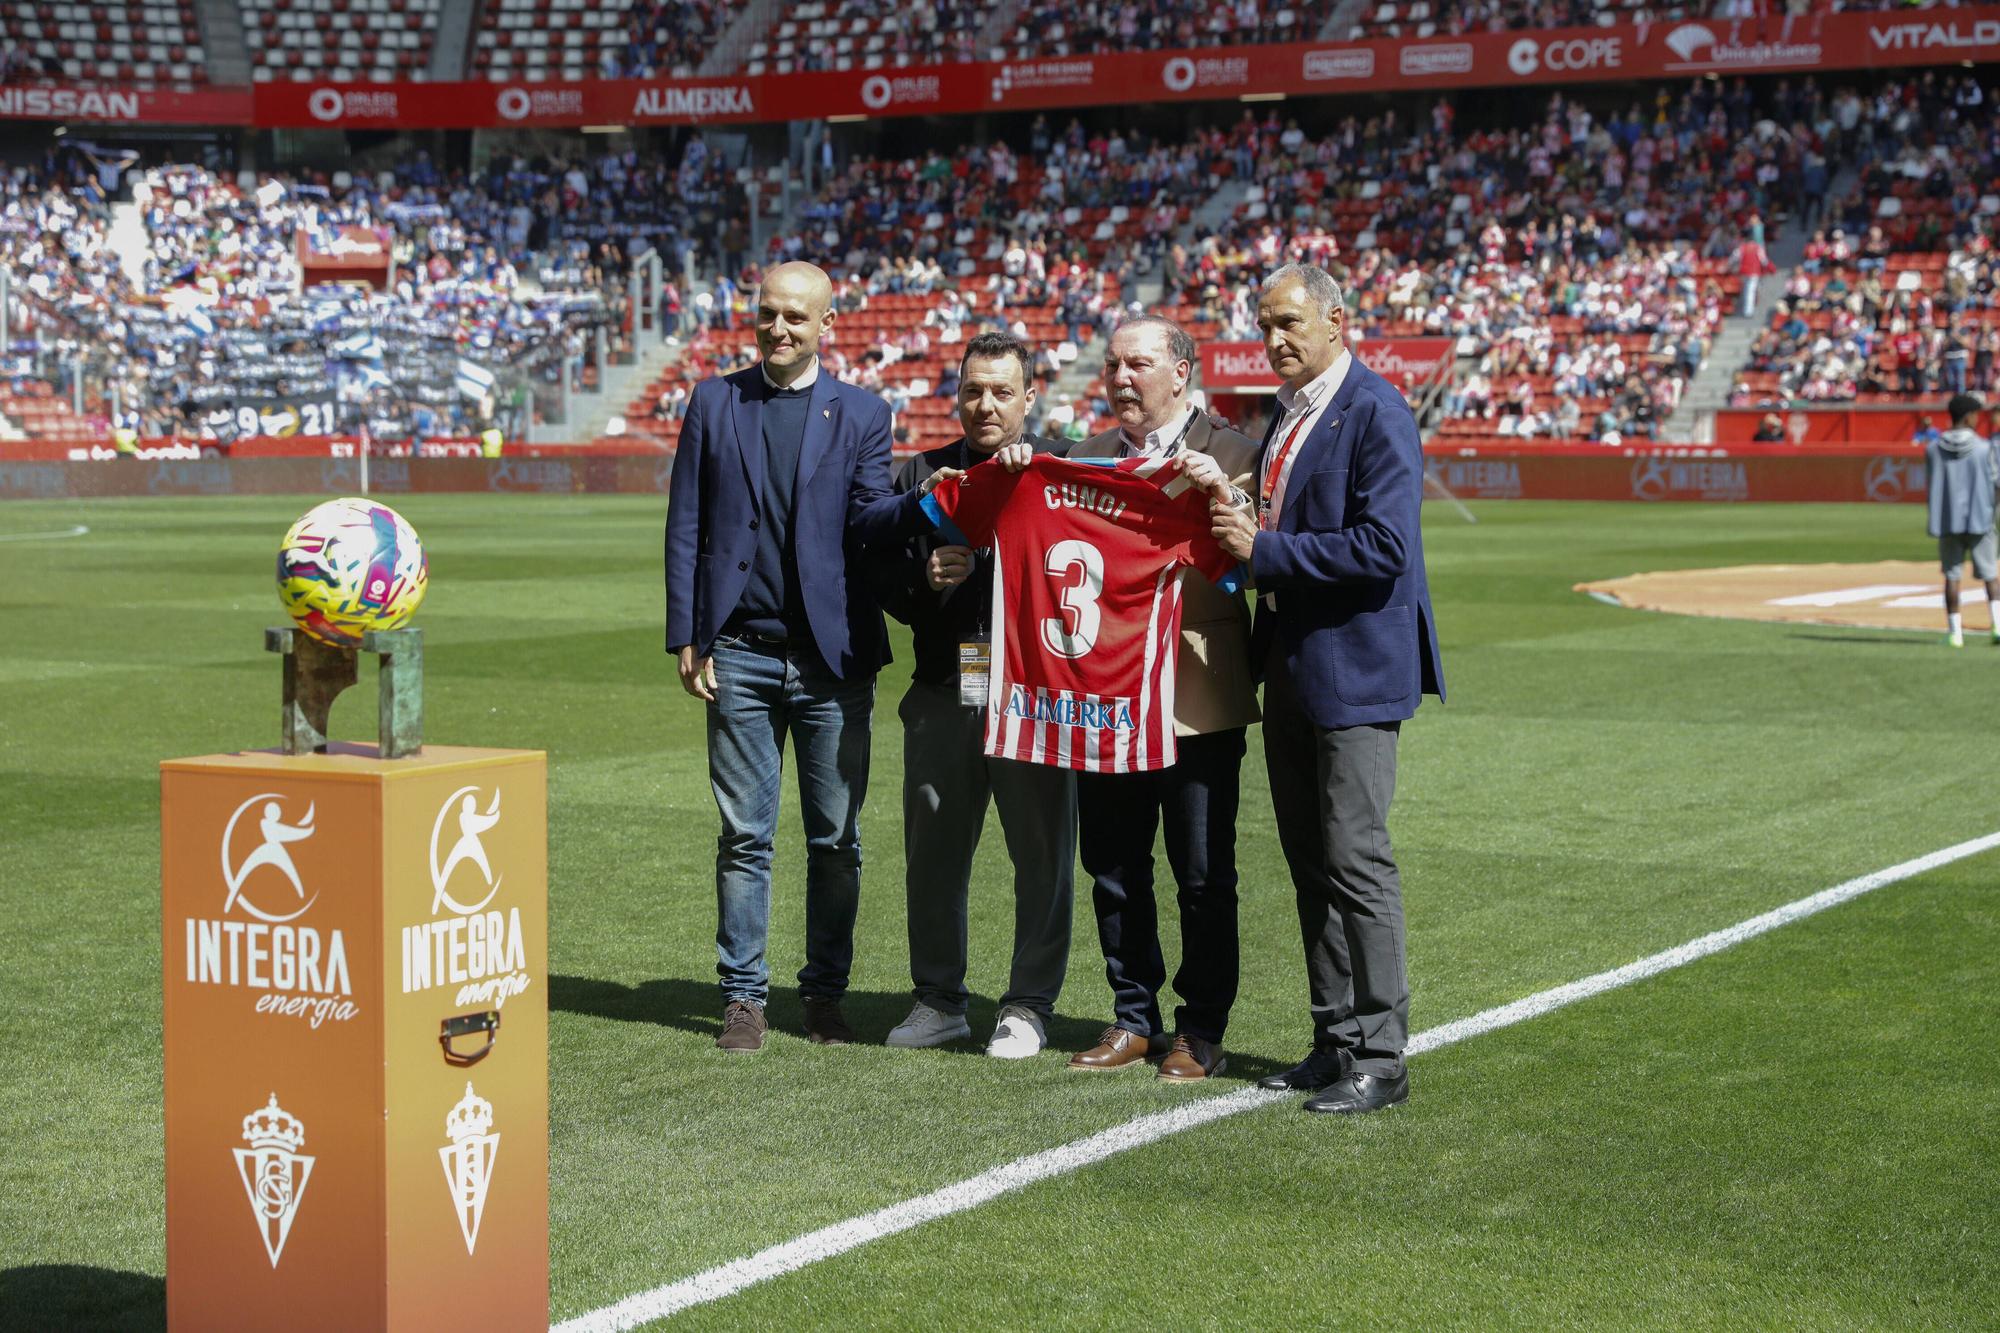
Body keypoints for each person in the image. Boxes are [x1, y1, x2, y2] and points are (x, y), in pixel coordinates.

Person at [663, 260, 939, 1054]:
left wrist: (931, 503)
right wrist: (688, 630)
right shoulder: (715, 400)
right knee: (745, 836)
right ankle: (743, 997)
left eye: (795, 317)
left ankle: (822, 994)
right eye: (768, 314)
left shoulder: (862, 412)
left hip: (833, 660)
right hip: (738, 655)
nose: (779, 329)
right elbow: (688, 522)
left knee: (835, 839)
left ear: (826, 325)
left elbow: (866, 514)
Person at [1209, 263, 1444, 1115]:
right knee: (1313, 863)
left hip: (1356, 671)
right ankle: (1334, 1037)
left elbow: (1385, 547)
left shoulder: (1376, 410)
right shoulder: (1288, 412)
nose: (1274, 338)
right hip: (1294, 665)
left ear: (1338, 320)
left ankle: (1383, 1054)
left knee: (1356, 858)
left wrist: (1262, 551)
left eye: (1289, 322)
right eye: (1265, 322)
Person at [1063, 316, 1261, 1083]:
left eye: (1137, 364)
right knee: (1112, 863)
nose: (1119, 378)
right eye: (1112, 364)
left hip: (1194, 695)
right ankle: (1133, 1016)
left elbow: (1256, 572)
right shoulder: (1078, 461)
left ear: (1180, 372)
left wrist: (1227, 509)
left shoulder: (1240, 454)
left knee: (1204, 871)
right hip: (1105, 698)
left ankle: (1202, 1027)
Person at [874, 331, 1078, 1059]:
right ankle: (938, 1000)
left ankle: (1027, 1005)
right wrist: (924, 584)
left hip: (1035, 691)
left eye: (1001, 391)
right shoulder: (920, 477)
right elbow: (882, 586)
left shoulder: (1061, 472)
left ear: (1030, 396)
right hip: (945, 685)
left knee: (1043, 853)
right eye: (972, 391)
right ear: (955, 395)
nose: (985, 404)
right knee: (932, 850)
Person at [1924, 393, 2000, 648]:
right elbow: (1996, 482)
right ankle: (1997, 626)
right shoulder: (1984, 447)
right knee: (1990, 575)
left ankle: (1955, 633)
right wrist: (1992, 508)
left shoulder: (1933, 449)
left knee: (1952, 577)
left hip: (1947, 520)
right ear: (1968, 417)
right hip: (1981, 518)